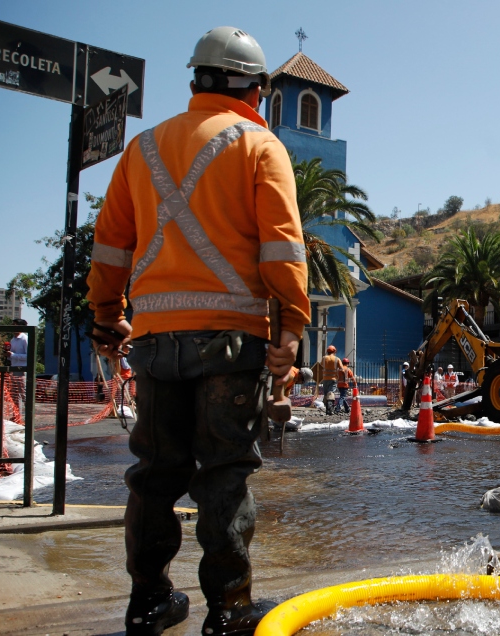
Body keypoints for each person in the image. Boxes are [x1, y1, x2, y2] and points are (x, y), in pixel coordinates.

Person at [85, 26, 309, 636]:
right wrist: (290, 329)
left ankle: (149, 602)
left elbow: (108, 247)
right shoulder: (261, 146)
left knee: (155, 475)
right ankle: (230, 610)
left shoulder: (143, 148)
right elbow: (282, 251)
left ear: (195, 80)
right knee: (224, 474)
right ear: (257, 90)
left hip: (156, 345)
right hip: (231, 344)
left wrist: (107, 317)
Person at [319, 346, 342, 416]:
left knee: (326, 394)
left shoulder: (324, 358)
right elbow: (341, 369)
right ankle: (330, 408)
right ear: (334, 351)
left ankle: (327, 409)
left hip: (325, 379)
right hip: (333, 379)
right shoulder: (337, 359)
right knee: (331, 392)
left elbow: (320, 366)